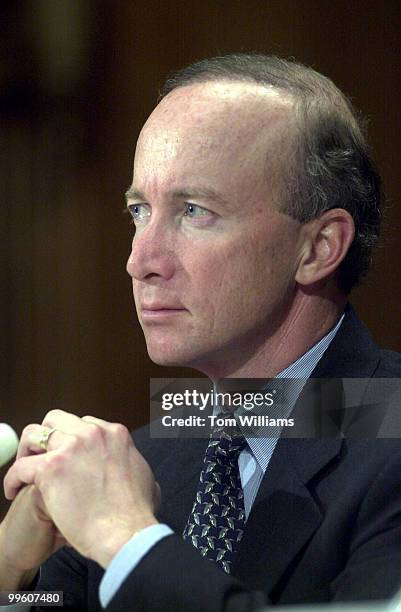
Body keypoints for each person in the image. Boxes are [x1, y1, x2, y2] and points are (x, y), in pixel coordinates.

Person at [1, 54, 400, 611]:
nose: (140, 261)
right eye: (139, 210)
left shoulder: (390, 434)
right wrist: (13, 574)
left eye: (194, 211)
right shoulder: (145, 455)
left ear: (318, 248)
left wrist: (128, 541)